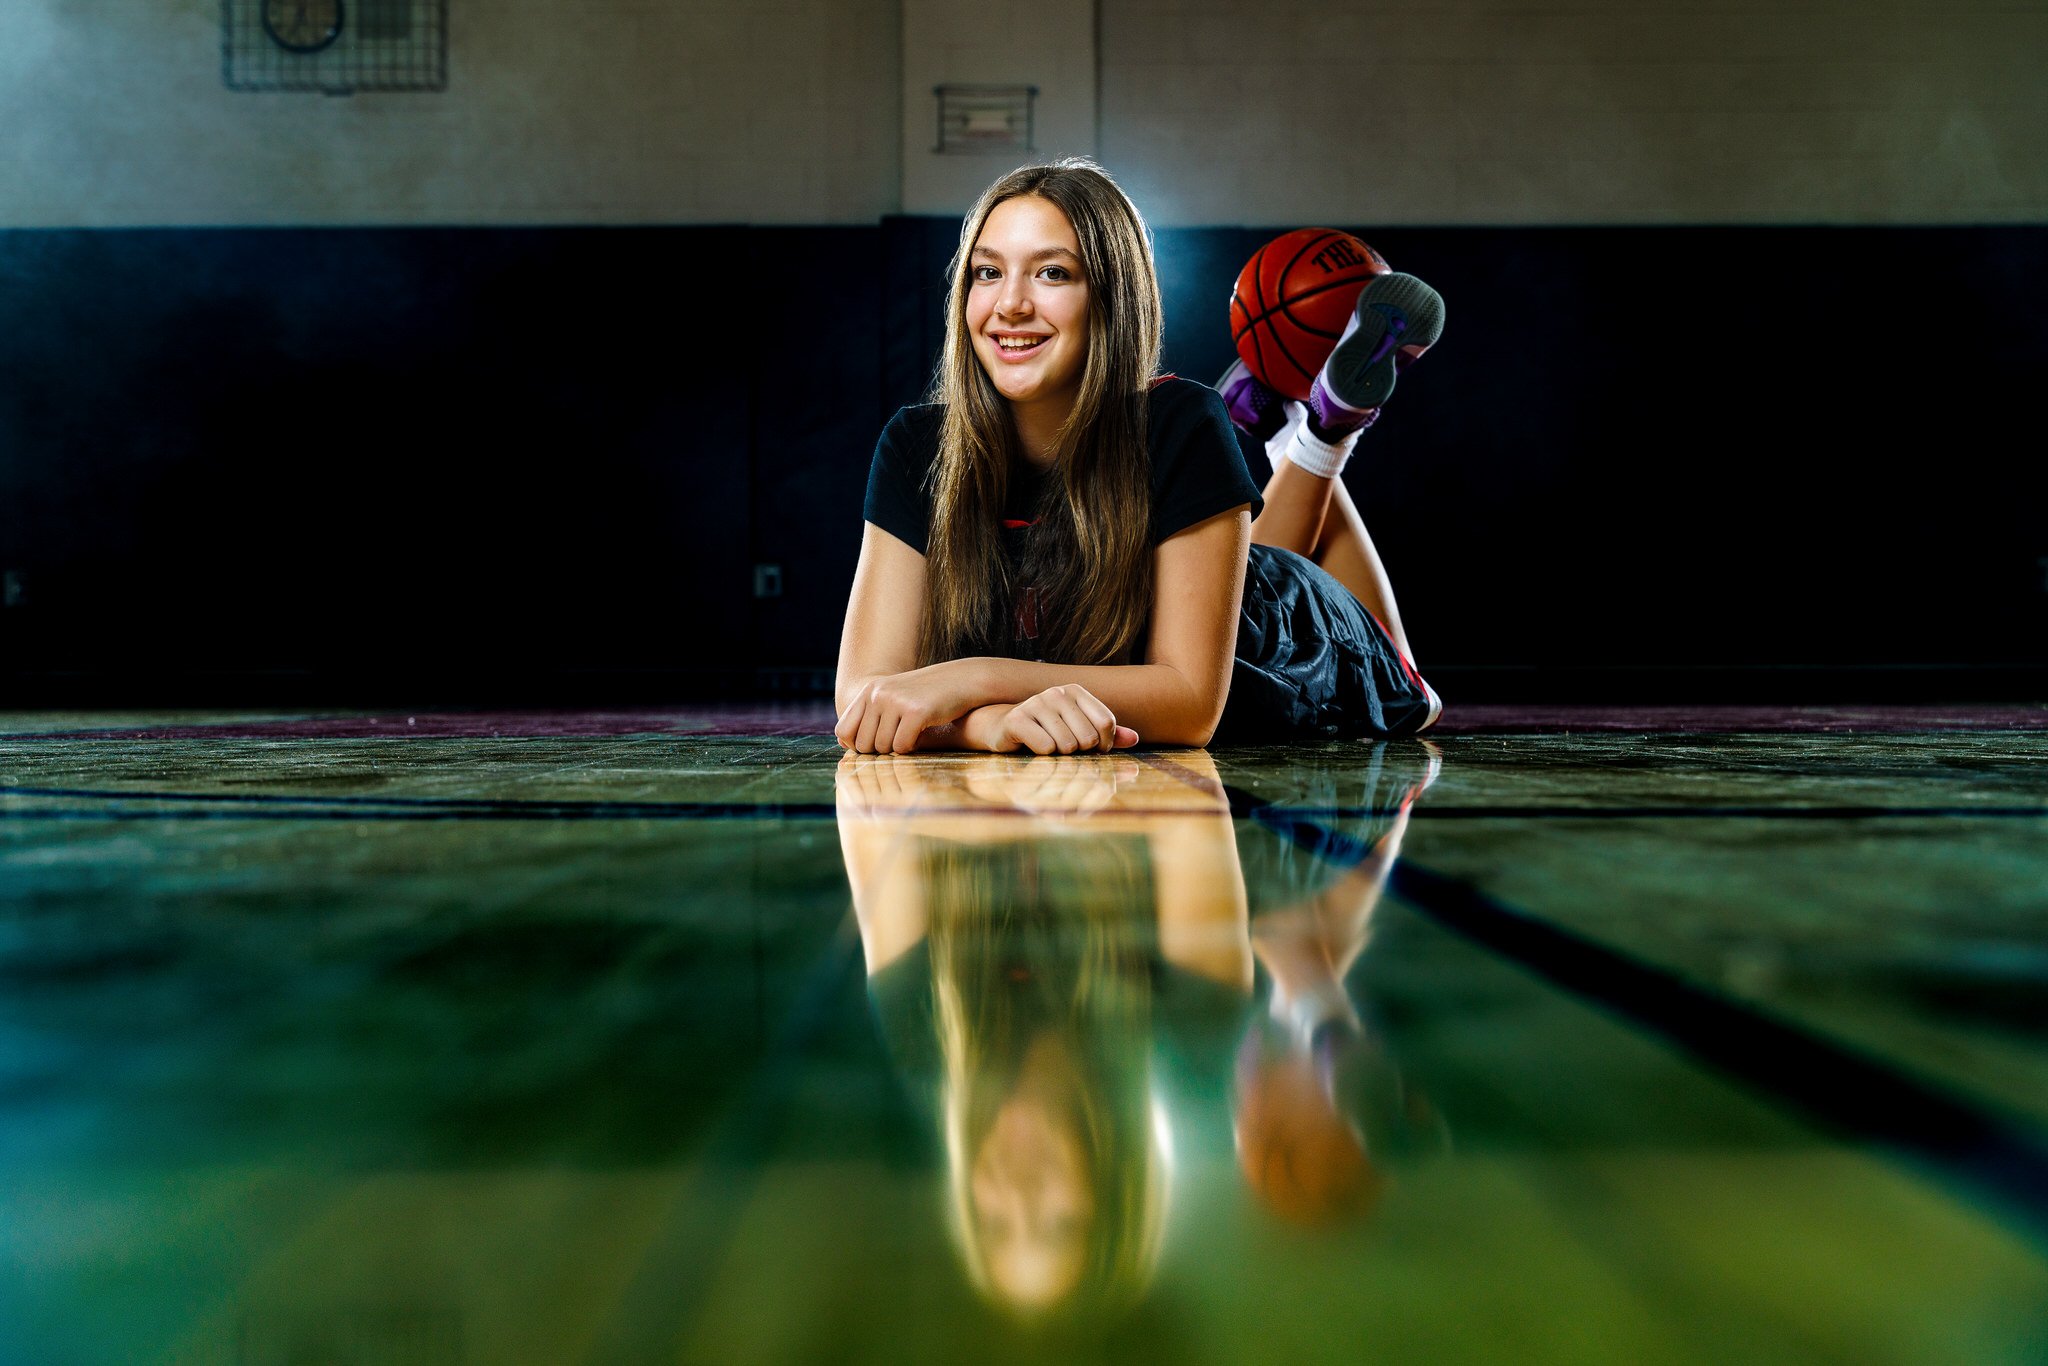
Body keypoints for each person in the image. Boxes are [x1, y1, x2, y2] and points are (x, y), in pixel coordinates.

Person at [836, 157, 1442, 754]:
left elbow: (1191, 705)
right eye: (986, 272)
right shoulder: (918, 446)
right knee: (1240, 556)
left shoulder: (1182, 420)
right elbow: (863, 696)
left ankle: (1322, 435)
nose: (1010, 303)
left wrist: (977, 679)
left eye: (1052, 274)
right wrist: (987, 725)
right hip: (1203, 570)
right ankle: (1298, 424)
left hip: (1280, 634)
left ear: (1111, 297)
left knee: (1409, 686)